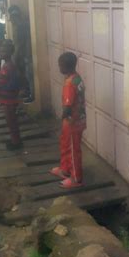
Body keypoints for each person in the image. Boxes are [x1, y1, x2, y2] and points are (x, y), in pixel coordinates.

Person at [50, 52, 86, 189]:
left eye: (60, 65)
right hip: (76, 121)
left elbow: (68, 106)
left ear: (66, 66)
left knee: (73, 150)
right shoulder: (77, 78)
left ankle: (76, 178)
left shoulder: (70, 84)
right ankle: (65, 170)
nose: (59, 67)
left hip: (72, 122)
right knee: (65, 144)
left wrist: (62, 117)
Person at [0, 40, 22, 151]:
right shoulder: (6, 65)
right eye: (1, 50)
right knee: (10, 121)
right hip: (6, 98)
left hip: (10, 98)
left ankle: (16, 142)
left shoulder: (10, 66)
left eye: (4, 51)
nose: (1, 52)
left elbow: (13, 84)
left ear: (9, 53)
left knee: (11, 120)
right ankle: (15, 140)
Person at [8, 5, 34, 103]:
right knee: (26, 75)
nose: (11, 22)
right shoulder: (25, 24)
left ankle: (31, 94)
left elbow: (19, 44)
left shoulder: (19, 27)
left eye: (12, 19)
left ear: (15, 17)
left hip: (25, 54)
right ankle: (28, 92)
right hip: (26, 54)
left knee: (28, 76)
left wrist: (14, 57)